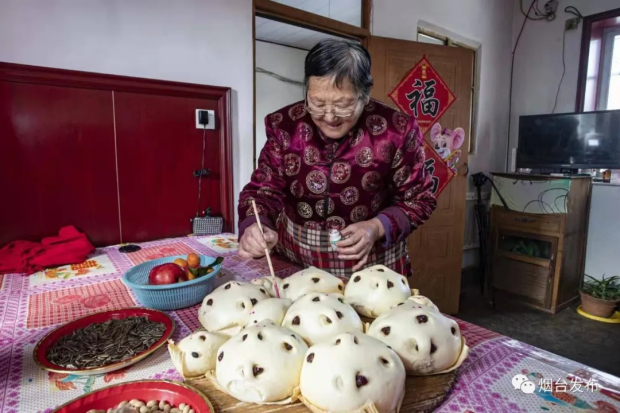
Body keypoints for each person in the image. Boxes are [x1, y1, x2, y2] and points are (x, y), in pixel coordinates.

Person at [237, 39, 437, 277]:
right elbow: (262, 191)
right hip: (298, 259)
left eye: (343, 105)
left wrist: (376, 227)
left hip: (371, 266)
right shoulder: (285, 125)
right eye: (317, 103)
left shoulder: (397, 130)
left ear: (365, 95)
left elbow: (419, 199)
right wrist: (253, 227)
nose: (329, 117)